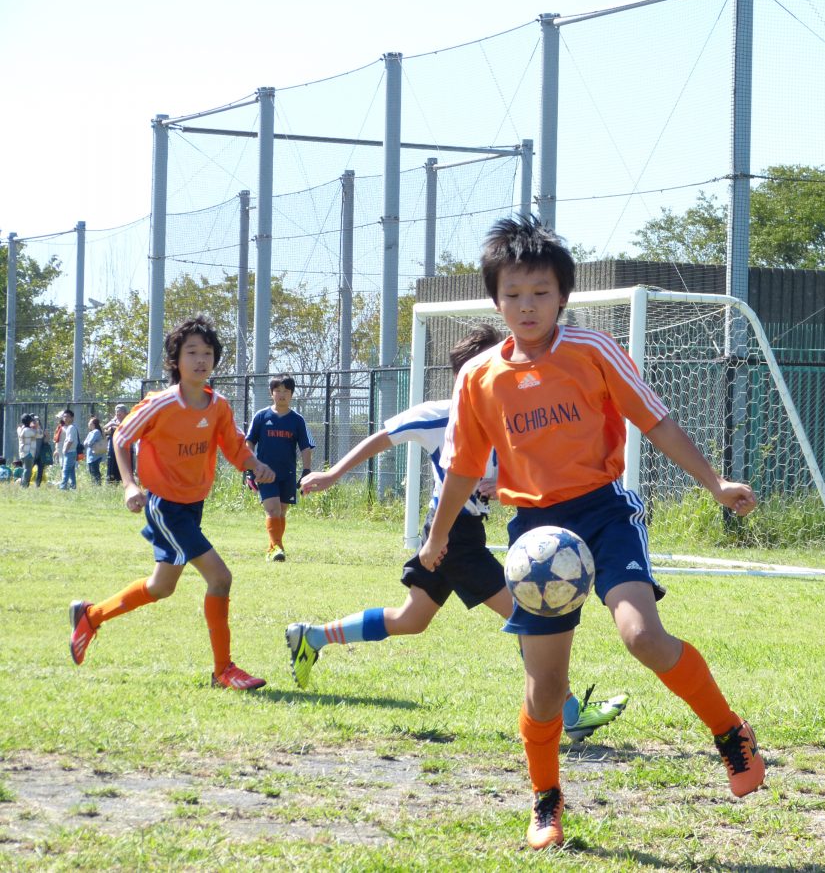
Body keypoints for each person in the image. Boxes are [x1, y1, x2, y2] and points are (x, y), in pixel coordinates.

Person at [418, 217, 764, 849]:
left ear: (563, 298)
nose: (527, 305)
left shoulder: (593, 351)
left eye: (541, 292)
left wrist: (715, 484)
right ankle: (545, 798)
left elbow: (656, 422)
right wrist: (438, 536)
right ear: (496, 300)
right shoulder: (478, 377)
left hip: (604, 513)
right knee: (546, 686)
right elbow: (464, 466)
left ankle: (729, 732)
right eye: (514, 293)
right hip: (535, 536)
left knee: (642, 635)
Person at [292, 325, 628, 743]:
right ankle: (570, 714)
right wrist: (333, 474)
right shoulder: (441, 415)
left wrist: (503, 482)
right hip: (449, 535)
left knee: (411, 618)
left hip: (464, 532)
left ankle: (313, 636)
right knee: (527, 612)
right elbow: (383, 438)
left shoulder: (510, 416)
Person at [68, 315, 277, 690]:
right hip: (165, 506)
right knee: (220, 578)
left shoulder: (218, 405)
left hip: (192, 506)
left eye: (207, 352)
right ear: (175, 360)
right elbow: (121, 439)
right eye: (191, 352)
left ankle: (91, 615)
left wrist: (255, 464)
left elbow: (235, 447)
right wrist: (129, 485)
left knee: (161, 586)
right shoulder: (160, 403)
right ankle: (223, 670)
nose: (200, 359)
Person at [245, 375, 315, 562]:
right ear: (271, 393)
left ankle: (273, 547)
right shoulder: (261, 416)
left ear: (291, 394)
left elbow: (306, 447)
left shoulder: (297, 420)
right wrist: (250, 470)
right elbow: (249, 442)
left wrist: (306, 471)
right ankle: (278, 548)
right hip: (264, 473)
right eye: (278, 390)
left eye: (286, 391)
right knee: (273, 510)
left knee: (281, 512)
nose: (282, 394)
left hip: (288, 474)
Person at [104, 404, 130, 483]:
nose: (118, 414)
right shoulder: (114, 420)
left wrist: (114, 425)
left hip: (124, 446)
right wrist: (109, 428)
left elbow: (125, 428)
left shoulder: (127, 420)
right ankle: (111, 480)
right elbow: (105, 428)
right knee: (112, 462)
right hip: (113, 446)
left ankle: (123, 480)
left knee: (123, 463)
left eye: (119, 412)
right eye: (116, 412)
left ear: (125, 413)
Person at [17, 413, 45, 488]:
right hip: (28, 453)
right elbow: (40, 435)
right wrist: (38, 426)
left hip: (23, 453)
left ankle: (22, 485)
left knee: (25, 469)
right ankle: (24, 486)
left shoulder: (20, 429)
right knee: (27, 470)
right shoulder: (28, 430)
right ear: (29, 421)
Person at [57, 410, 80, 490]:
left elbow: (70, 440)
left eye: (68, 417)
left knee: (65, 471)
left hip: (69, 452)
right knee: (71, 472)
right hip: (72, 452)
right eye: (64, 416)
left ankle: (62, 488)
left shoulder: (71, 427)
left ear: (72, 418)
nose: (65, 418)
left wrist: (65, 450)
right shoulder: (71, 427)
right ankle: (73, 487)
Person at [83, 415, 106, 484]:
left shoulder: (96, 431)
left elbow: (89, 442)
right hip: (90, 455)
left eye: (90, 423)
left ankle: (98, 484)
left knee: (95, 470)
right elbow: (85, 443)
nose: (88, 424)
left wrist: (88, 442)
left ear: (93, 424)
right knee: (91, 470)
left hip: (95, 455)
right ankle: (94, 484)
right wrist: (87, 442)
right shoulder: (91, 432)